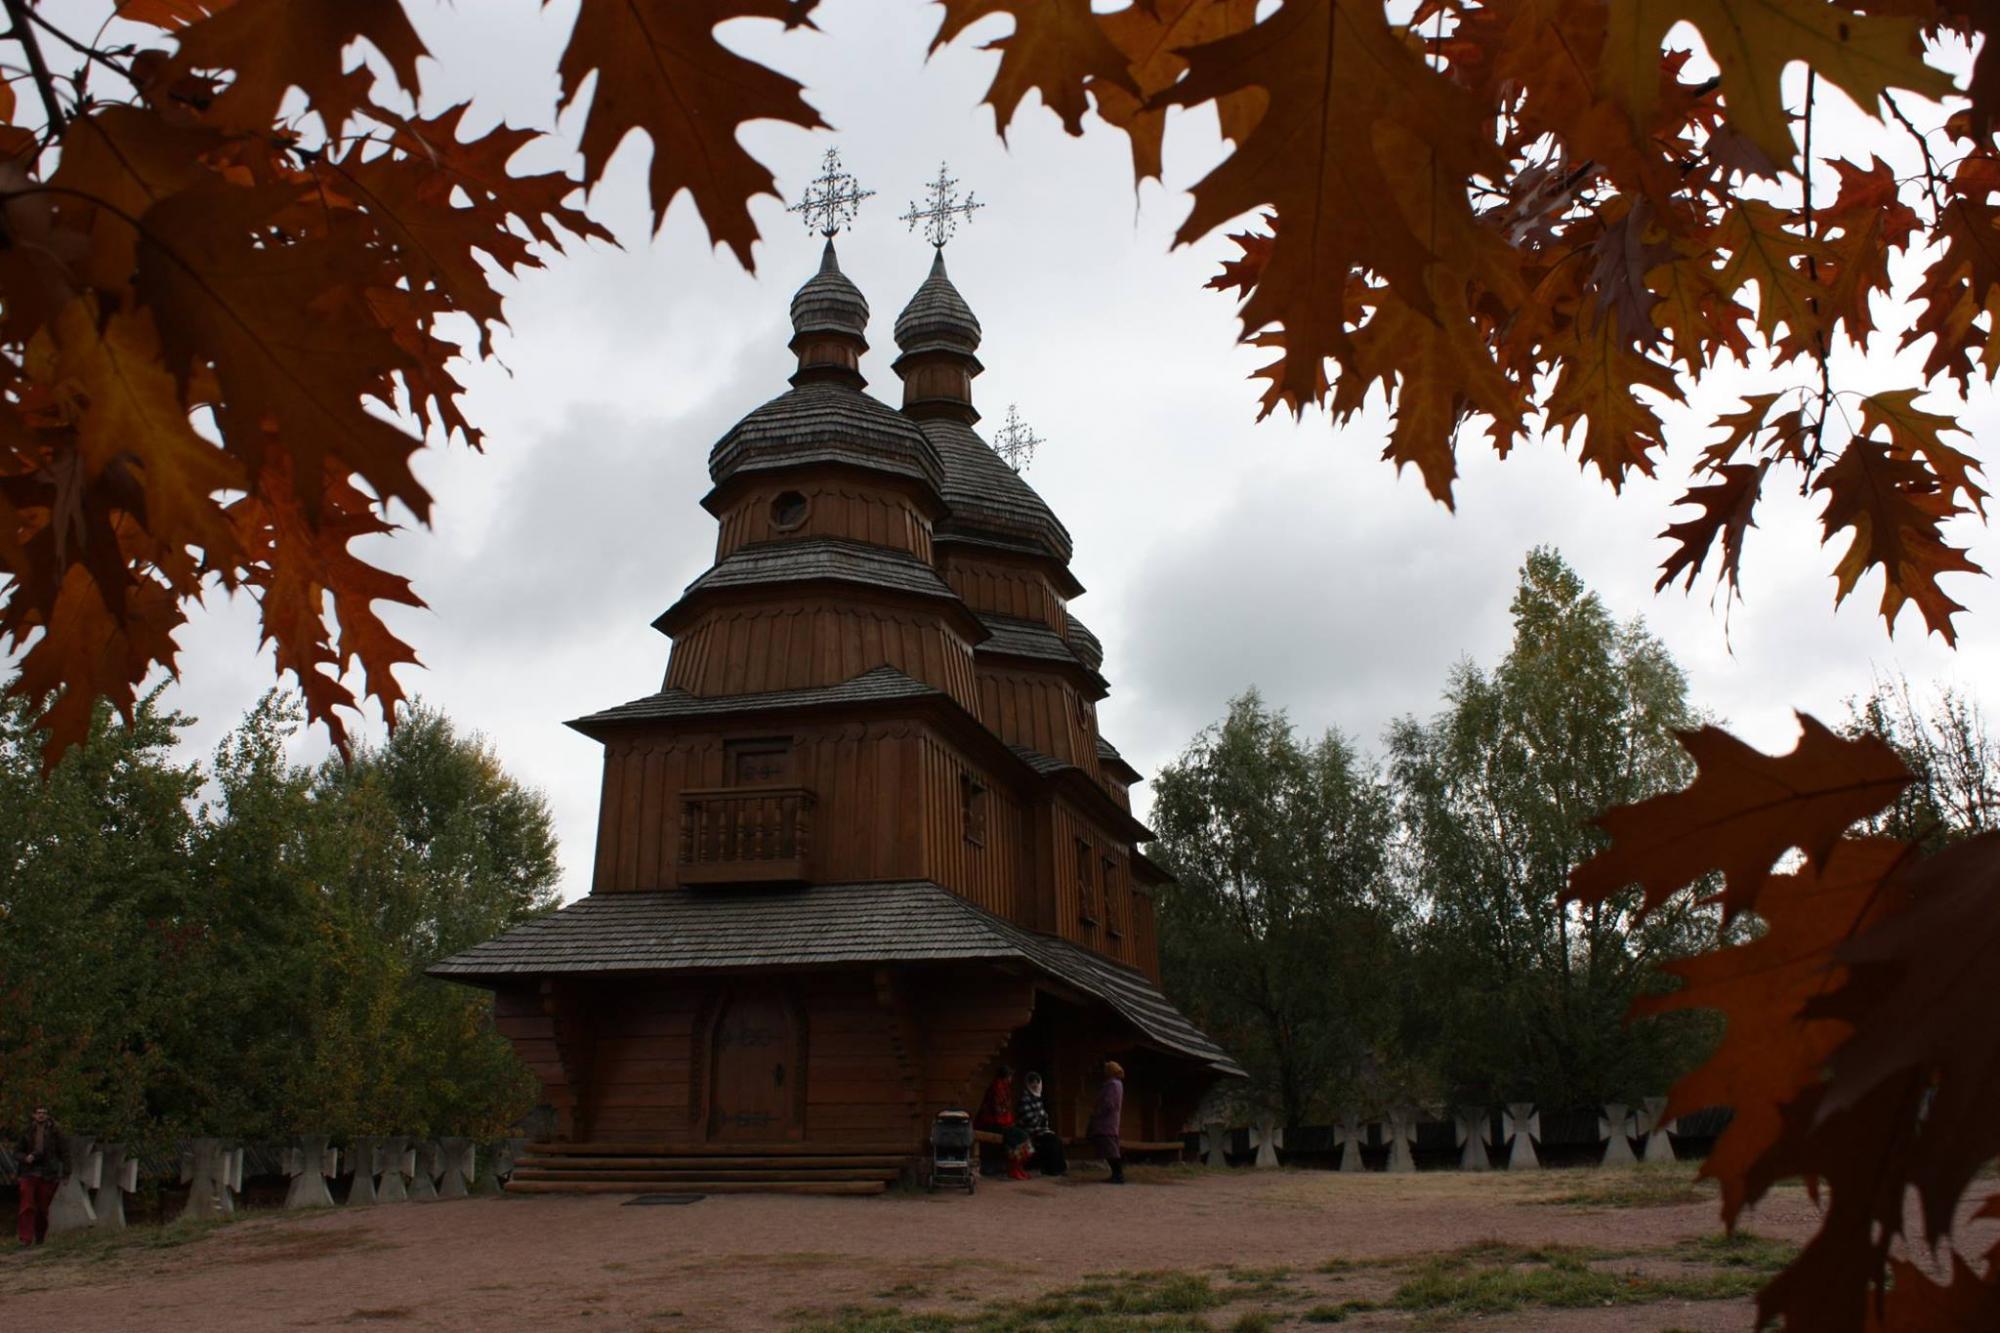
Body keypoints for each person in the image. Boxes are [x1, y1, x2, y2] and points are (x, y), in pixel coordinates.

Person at [15, 1106, 63, 1247]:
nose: (41, 1115)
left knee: (42, 1209)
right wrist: (25, 1158)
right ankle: (25, 1238)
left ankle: (40, 1236)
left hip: (47, 1174)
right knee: (27, 1206)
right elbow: (16, 1152)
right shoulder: (27, 1131)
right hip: (29, 1172)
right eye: (38, 1113)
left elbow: (64, 1152)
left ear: (47, 1115)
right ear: (34, 1115)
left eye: (44, 1113)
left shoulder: (55, 1132)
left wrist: (66, 1172)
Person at [974, 1064, 1033, 1180]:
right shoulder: (998, 1088)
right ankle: (1014, 1169)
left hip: (999, 1123)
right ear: (1006, 1076)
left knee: (1022, 1135)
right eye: (1010, 1076)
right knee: (1019, 1137)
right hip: (991, 1124)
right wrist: (1008, 1124)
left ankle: (1017, 1168)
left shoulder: (1003, 1087)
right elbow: (998, 1111)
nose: (1011, 1079)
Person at [1017, 1072, 1066, 1177]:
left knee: (1057, 1141)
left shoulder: (1038, 1098)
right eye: (1032, 1083)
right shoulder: (1025, 1098)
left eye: (1037, 1083)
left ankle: (1059, 1169)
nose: (1035, 1086)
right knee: (1052, 1142)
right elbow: (1028, 1118)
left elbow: (1043, 1116)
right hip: (1030, 1130)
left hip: (1041, 1129)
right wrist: (1041, 1117)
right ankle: (1052, 1169)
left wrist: (1042, 1118)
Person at [1090, 1061, 1126, 1184]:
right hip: (1109, 1122)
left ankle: (1118, 1175)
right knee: (1111, 1148)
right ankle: (1116, 1174)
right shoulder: (1116, 1084)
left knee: (1111, 1149)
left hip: (1107, 1122)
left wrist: (1098, 1112)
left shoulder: (1113, 1085)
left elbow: (1109, 1103)